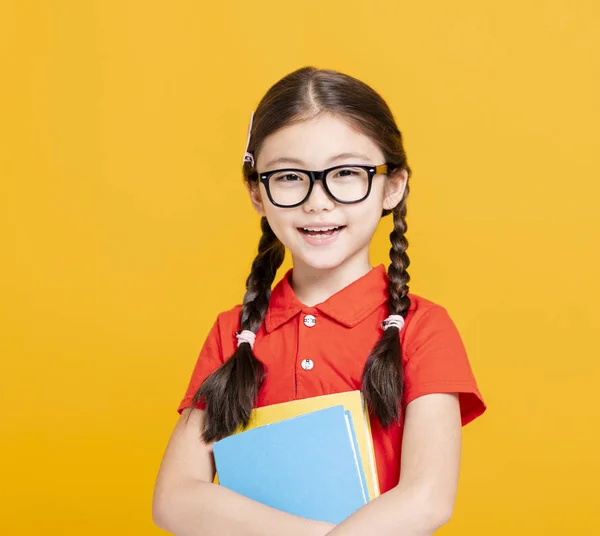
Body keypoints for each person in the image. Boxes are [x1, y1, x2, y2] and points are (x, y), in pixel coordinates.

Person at [152, 66, 486, 536]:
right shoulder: (234, 332)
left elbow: (426, 499)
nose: (318, 202)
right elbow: (175, 499)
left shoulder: (422, 327)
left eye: (346, 173)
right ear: (257, 192)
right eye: (289, 177)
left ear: (393, 185)